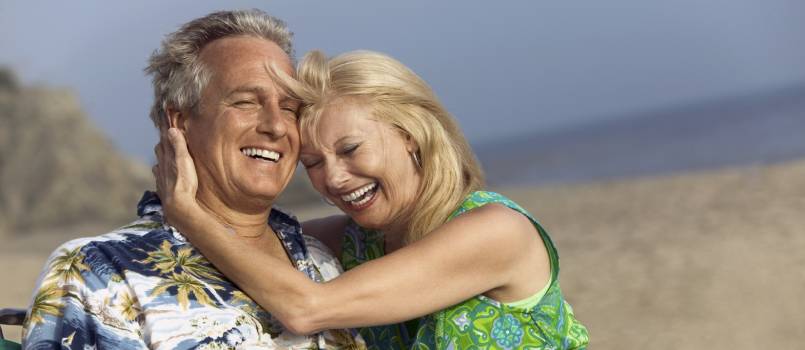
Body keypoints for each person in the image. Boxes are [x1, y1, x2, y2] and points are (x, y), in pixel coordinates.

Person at [155, 50, 589, 349]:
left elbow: (306, 309)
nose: (335, 179)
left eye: (350, 150)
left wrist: (187, 212)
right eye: (313, 163)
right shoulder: (357, 242)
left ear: (411, 136)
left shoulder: (496, 232)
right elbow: (246, 244)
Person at [21, 10, 362, 349]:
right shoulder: (98, 271)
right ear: (180, 121)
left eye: (289, 108)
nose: (275, 125)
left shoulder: (324, 264)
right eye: (245, 102)